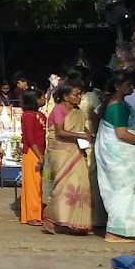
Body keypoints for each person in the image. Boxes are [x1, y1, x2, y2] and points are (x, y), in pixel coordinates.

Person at [96, 71, 135, 243]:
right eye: (128, 85)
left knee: (126, 191)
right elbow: (122, 133)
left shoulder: (116, 103)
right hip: (121, 155)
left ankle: (128, 229)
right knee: (124, 192)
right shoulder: (117, 106)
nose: (132, 88)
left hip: (119, 153)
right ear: (118, 87)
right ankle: (114, 232)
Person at [41, 82, 94, 236]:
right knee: (63, 186)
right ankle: (51, 218)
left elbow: (80, 128)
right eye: (75, 94)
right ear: (65, 97)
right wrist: (82, 135)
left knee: (79, 186)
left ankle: (75, 222)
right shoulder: (59, 110)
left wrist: (87, 135)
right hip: (61, 151)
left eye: (79, 94)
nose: (78, 97)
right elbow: (60, 132)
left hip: (76, 151)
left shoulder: (78, 112)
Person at [19, 89, 46, 226]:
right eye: (42, 97)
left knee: (41, 184)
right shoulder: (28, 115)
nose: (44, 98)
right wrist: (39, 155)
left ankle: (40, 213)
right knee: (33, 185)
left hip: (41, 151)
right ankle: (31, 215)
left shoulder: (40, 114)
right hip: (32, 152)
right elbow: (30, 138)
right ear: (36, 100)